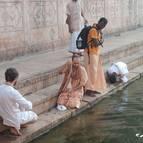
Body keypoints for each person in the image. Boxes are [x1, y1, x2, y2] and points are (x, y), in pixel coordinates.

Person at [0, 68, 38, 136]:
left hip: (4, 116)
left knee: (18, 104)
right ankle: (17, 125)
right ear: (15, 79)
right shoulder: (13, 92)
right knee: (35, 116)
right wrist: (29, 102)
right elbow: (28, 106)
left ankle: (14, 126)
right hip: (14, 118)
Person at [84, 17, 108, 96]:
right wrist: (101, 41)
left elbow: (97, 43)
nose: (103, 26)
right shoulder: (93, 30)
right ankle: (88, 90)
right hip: (90, 54)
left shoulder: (98, 31)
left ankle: (93, 88)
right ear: (99, 22)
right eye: (102, 24)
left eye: (104, 25)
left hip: (95, 53)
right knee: (91, 72)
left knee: (96, 72)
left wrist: (100, 35)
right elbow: (95, 44)